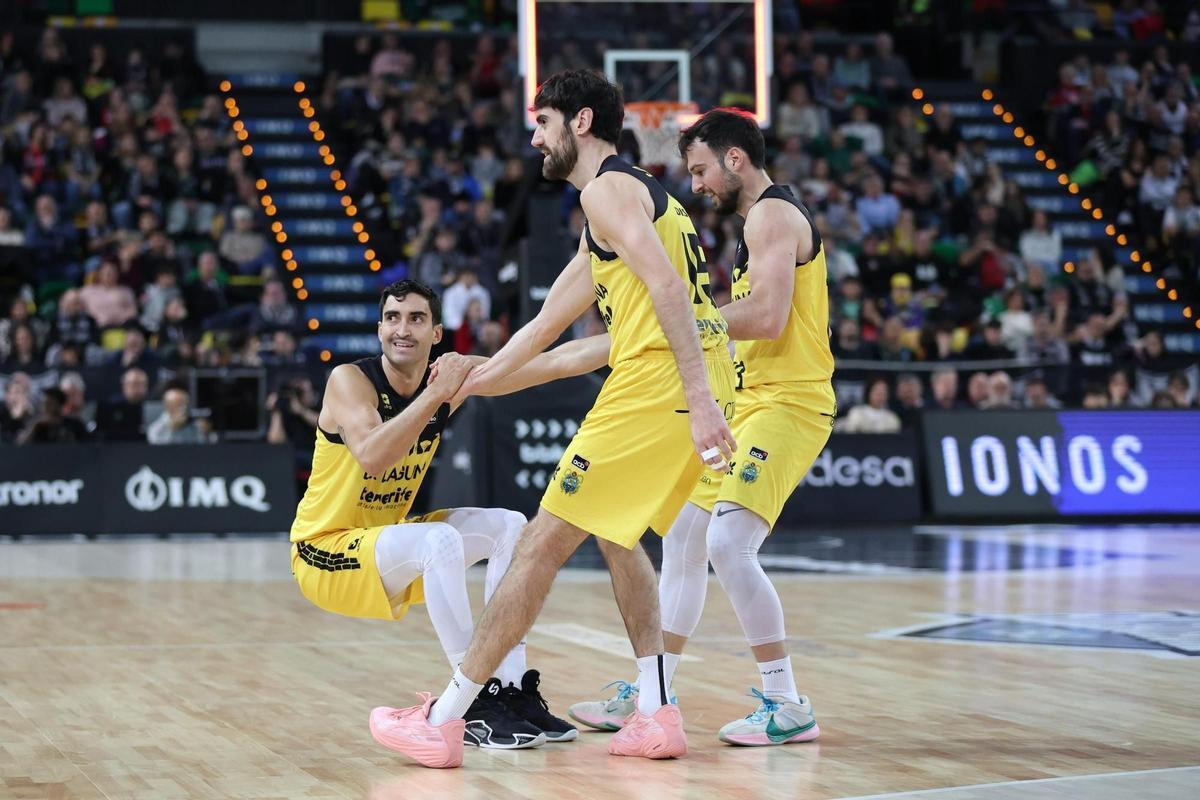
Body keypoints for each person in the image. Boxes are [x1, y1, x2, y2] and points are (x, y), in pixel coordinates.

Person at [370, 70, 736, 768]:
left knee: (539, 544)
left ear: (583, 121)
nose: (534, 137)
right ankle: (658, 712)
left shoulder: (605, 191)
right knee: (617, 539)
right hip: (685, 378)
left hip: (663, 384)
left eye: (543, 123)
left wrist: (702, 405)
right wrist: (466, 382)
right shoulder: (623, 205)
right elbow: (544, 331)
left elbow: (666, 288)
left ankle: (445, 720)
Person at [570, 108, 835, 746]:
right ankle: (653, 687)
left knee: (726, 546)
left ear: (734, 158)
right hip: (748, 403)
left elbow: (768, 317)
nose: (695, 184)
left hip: (789, 403)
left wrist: (688, 319)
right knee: (684, 540)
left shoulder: (773, 213)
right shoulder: (759, 222)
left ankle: (787, 702)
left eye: (700, 169)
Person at [293, 280, 589, 759]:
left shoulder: (447, 377)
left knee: (510, 526)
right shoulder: (350, 380)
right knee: (440, 540)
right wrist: (438, 395)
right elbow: (372, 456)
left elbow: (551, 363)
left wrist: (637, 337)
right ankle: (470, 702)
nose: (401, 329)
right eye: (392, 318)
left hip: (385, 541)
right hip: (323, 551)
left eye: (415, 319)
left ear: (436, 334)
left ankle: (510, 692)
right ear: (379, 328)